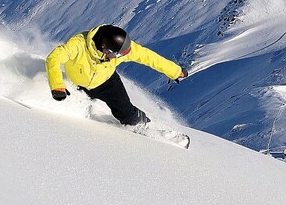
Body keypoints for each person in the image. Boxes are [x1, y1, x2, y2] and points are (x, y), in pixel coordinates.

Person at [45, 24, 187, 127]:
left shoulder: (119, 50)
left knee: (128, 116)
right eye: (116, 54)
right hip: (77, 84)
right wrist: (57, 86)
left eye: (120, 55)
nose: (116, 58)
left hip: (108, 83)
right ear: (104, 47)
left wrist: (174, 71)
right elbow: (54, 58)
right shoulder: (78, 45)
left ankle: (146, 126)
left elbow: (149, 57)